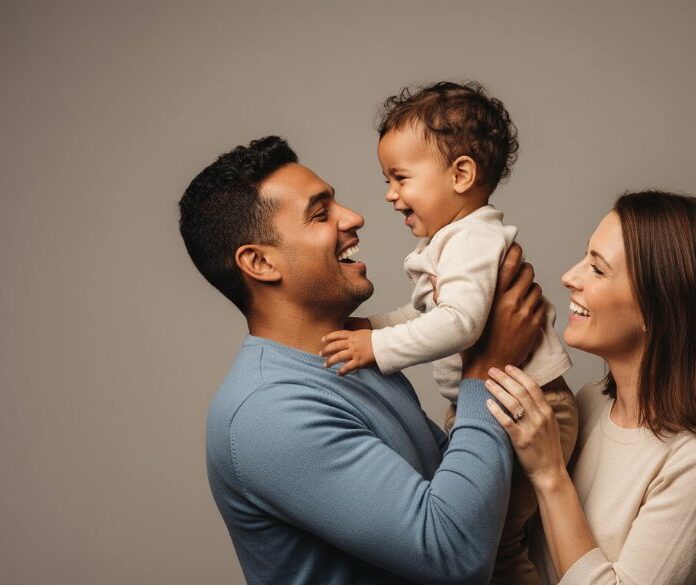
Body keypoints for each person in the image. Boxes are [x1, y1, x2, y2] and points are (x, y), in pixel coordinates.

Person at [177, 135, 548, 585]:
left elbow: (452, 486)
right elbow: (454, 555)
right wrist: (486, 369)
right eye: (320, 214)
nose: (354, 218)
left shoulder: (351, 359)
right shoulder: (268, 413)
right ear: (259, 262)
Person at [320, 81, 578, 585]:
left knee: (496, 548)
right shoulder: (452, 240)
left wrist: (377, 345)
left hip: (530, 405)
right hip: (493, 403)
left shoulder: (472, 238)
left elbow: (459, 325)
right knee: (497, 538)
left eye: (400, 178)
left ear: (461, 174)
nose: (390, 195)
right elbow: (433, 317)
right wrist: (372, 326)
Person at [484, 191, 696, 585]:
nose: (570, 277)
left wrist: (550, 474)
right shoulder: (585, 406)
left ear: (661, 309)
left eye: (598, 269)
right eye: (584, 258)